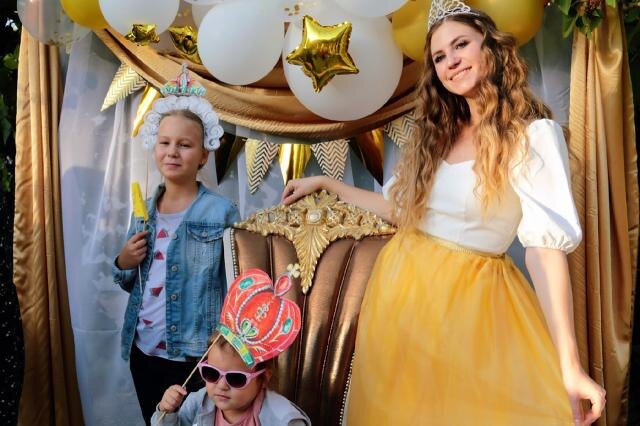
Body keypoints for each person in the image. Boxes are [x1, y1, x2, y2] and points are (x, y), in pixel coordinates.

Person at [281, 1, 606, 425]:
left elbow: (545, 252)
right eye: (439, 57)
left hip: (472, 307)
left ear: (490, 47)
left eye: (461, 45)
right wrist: (328, 184)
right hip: (400, 300)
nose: (451, 61)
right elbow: (402, 212)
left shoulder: (531, 136)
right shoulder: (436, 136)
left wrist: (570, 365)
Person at [113, 64, 241, 424]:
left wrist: (225, 346)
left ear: (203, 154)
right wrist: (124, 261)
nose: (172, 152)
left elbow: (235, 284)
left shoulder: (221, 212)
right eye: (165, 143)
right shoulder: (144, 211)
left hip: (193, 355)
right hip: (143, 350)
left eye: (185, 145)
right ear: (155, 147)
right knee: (156, 421)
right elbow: (128, 279)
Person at [151, 268, 311, 426]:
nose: (221, 385)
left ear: (263, 379)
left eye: (236, 378)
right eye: (211, 373)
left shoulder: (283, 419)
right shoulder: (197, 404)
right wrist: (167, 413)